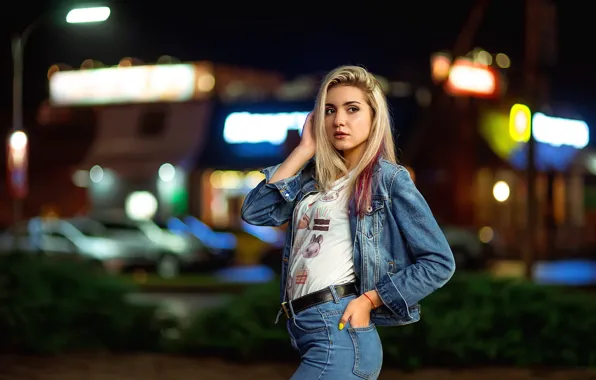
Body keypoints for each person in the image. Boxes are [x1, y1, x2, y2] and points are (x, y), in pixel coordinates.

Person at [241, 65, 455, 379]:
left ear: (373, 117)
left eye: (352, 109)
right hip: (304, 329)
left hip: (339, 329)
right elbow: (255, 212)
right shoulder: (312, 183)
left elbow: (439, 261)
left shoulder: (389, 181)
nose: (339, 120)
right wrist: (304, 149)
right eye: (329, 110)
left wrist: (372, 299)